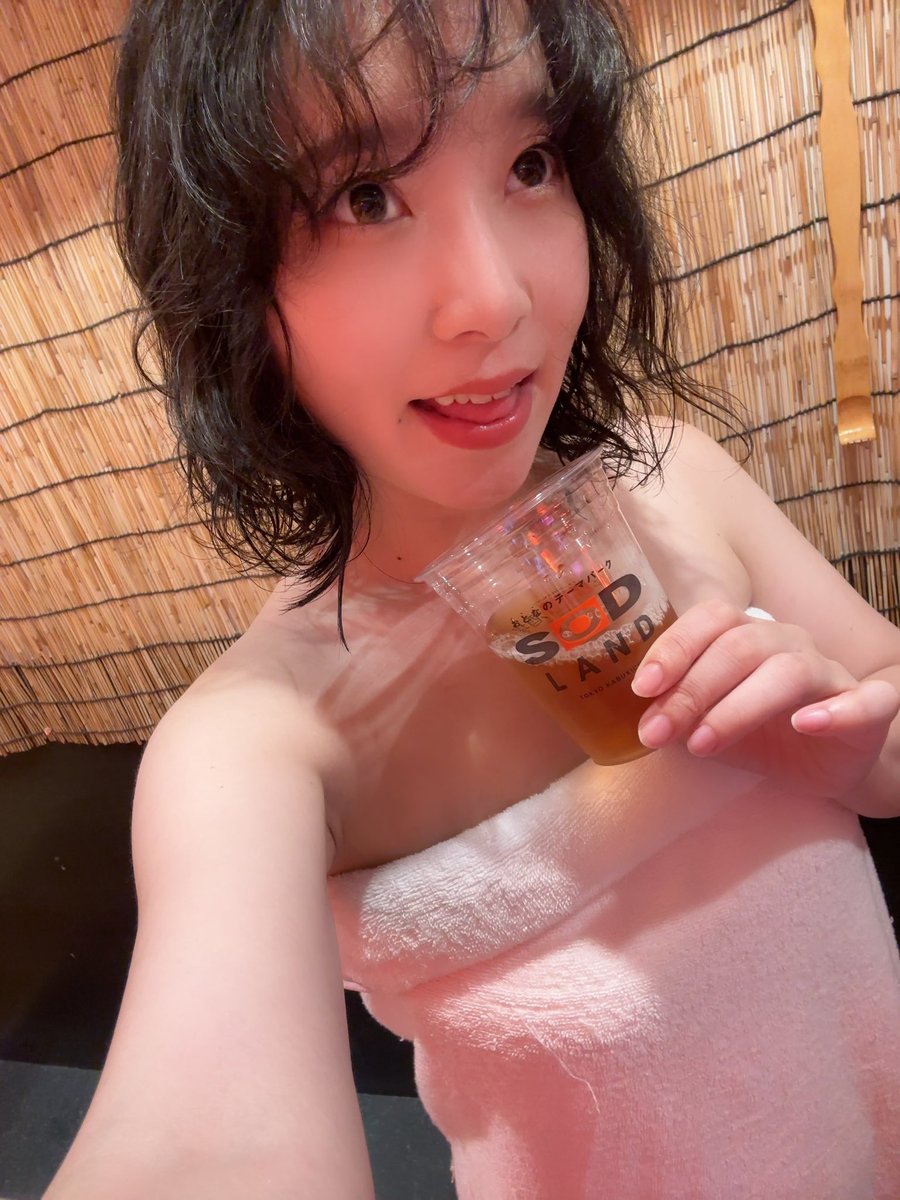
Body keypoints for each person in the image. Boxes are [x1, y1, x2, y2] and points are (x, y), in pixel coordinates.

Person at [46, 1, 900, 1197]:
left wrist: (848, 744)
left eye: (530, 164)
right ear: (227, 277)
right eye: (365, 197)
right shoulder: (257, 747)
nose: (494, 300)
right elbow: (205, 1148)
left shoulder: (681, 478)